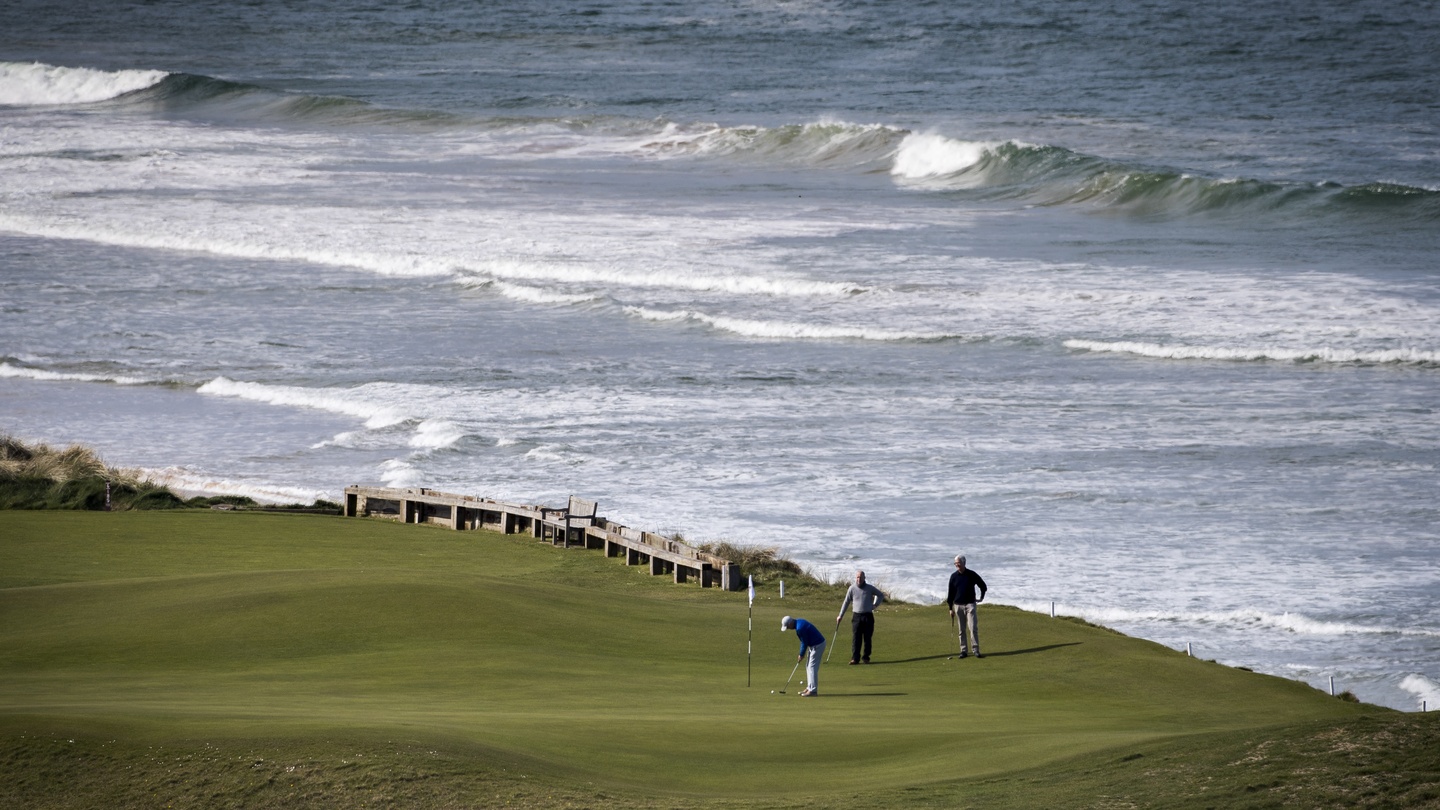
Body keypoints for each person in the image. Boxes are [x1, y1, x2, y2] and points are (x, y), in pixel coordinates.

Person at [837, 569, 885, 664]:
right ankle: (855, 658)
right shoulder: (852, 588)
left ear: (864, 578)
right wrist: (840, 615)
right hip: (856, 616)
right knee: (856, 638)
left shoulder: (869, 588)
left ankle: (866, 658)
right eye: (857, 577)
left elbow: (880, 595)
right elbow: (846, 602)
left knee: (867, 638)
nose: (859, 579)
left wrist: (875, 605)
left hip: (868, 616)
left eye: (861, 577)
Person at [946, 554, 987, 658]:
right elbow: (950, 594)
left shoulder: (971, 574)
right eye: (955, 563)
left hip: (970, 605)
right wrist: (950, 608)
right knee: (961, 629)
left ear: (964, 563)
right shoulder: (953, 576)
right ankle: (963, 651)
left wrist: (981, 597)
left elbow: (983, 586)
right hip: (958, 605)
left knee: (973, 627)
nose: (957, 565)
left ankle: (976, 650)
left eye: (958, 563)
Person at [781, 615, 826, 696]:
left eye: (787, 627)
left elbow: (804, 642)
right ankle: (809, 687)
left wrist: (801, 654)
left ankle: (813, 691)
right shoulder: (799, 622)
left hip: (818, 645)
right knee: (808, 666)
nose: (788, 628)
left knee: (812, 667)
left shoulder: (800, 628)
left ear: (790, 623)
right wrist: (802, 654)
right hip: (813, 645)